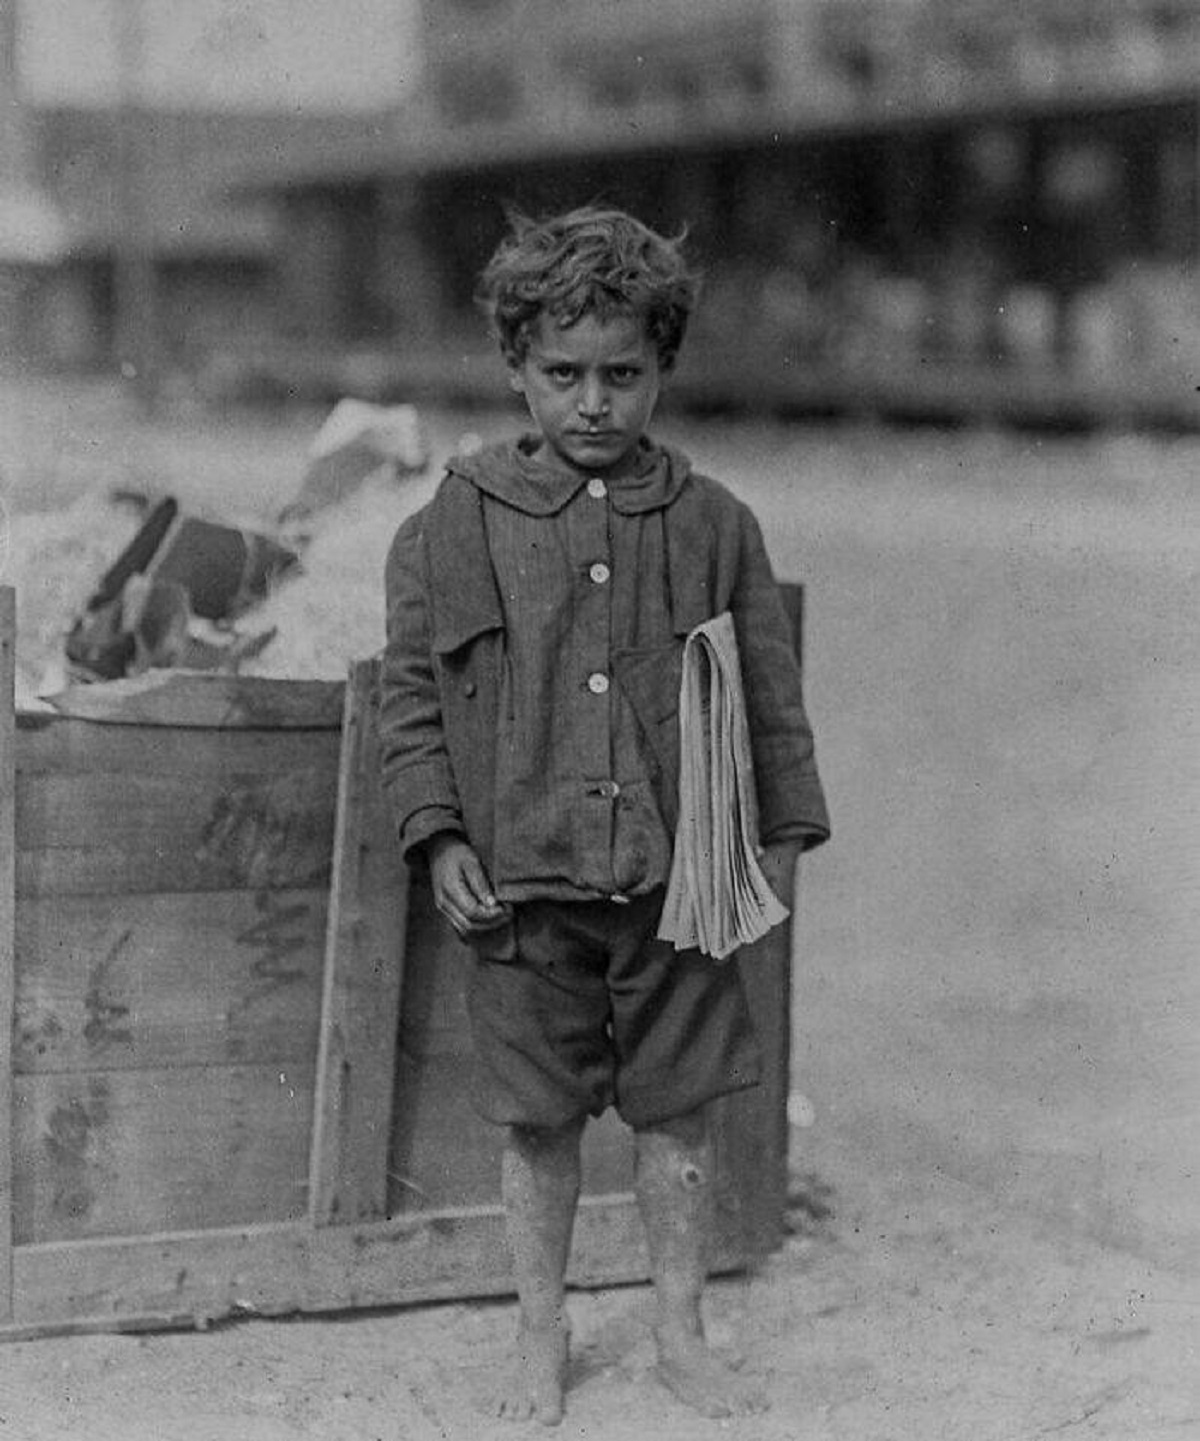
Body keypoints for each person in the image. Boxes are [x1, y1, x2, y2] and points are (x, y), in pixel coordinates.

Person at [379, 205, 829, 1425]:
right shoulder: (451, 523)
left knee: (679, 1115)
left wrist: (773, 845)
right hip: (522, 891)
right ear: (515, 367)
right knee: (536, 1125)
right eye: (563, 374)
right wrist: (440, 833)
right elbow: (413, 699)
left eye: (622, 375)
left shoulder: (716, 523)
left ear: (663, 368)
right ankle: (541, 1335)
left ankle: (680, 1328)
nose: (592, 404)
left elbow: (772, 700)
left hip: (677, 887)